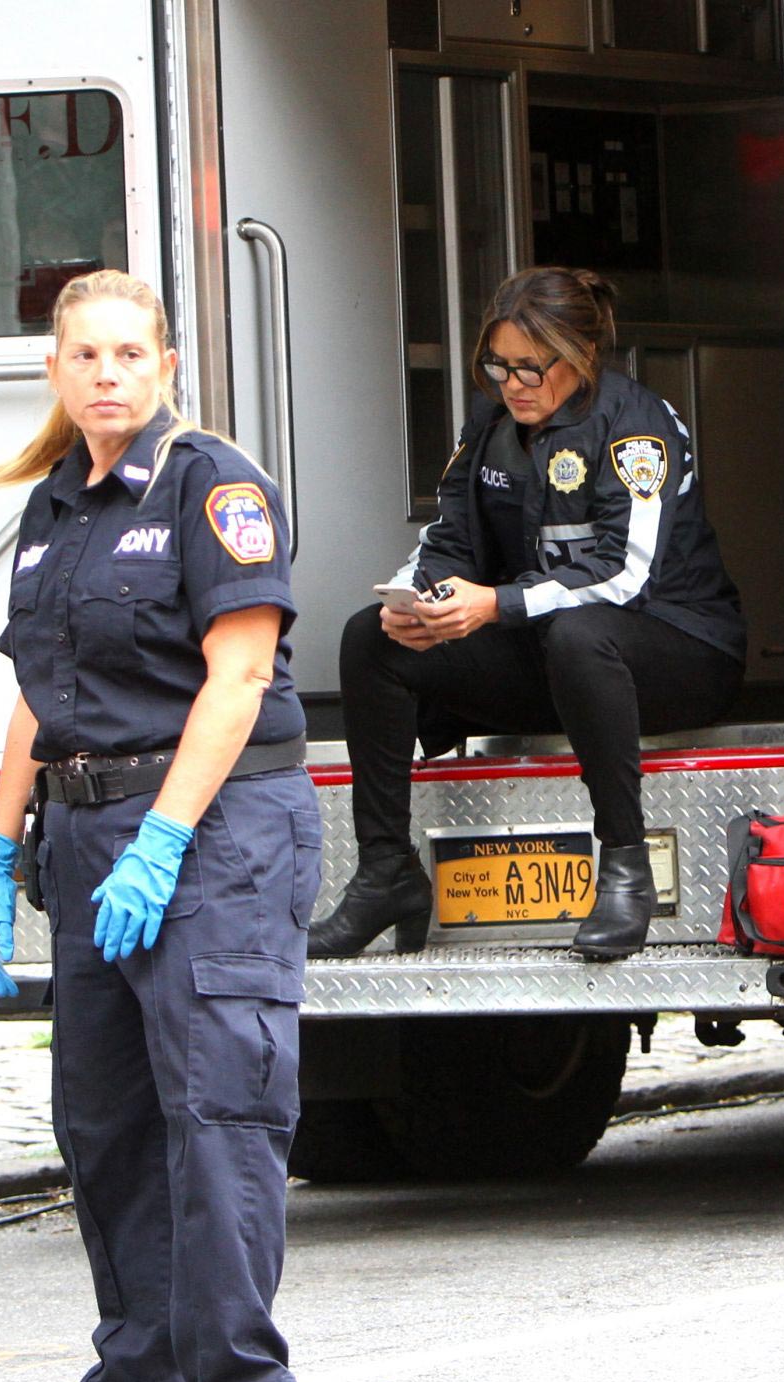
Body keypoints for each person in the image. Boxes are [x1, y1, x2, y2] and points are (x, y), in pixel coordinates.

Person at [0, 270, 347, 1382]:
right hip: (85, 837)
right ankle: (142, 1368)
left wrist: (167, 841)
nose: (108, 374)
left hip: (215, 830)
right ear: (56, 370)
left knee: (221, 1098)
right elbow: (38, 694)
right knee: (108, 1113)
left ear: (167, 365)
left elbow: (238, 679)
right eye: (86, 355)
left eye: (130, 353)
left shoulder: (214, 485)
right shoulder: (54, 509)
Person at [310, 265, 745, 962]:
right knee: (374, 639)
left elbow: (624, 574)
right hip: (558, 655)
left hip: (679, 652)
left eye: (530, 368)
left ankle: (625, 868)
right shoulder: (489, 424)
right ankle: (387, 871)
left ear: (579, 357)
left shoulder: (637, 426)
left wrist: (496, 605)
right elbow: (450, 537)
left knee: (580, 634)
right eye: (498, 366)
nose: (512, 384)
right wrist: (417, 601)